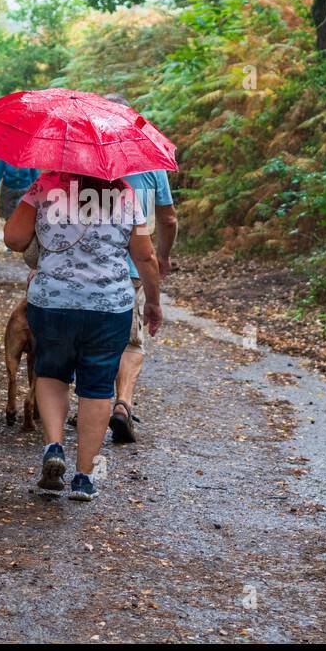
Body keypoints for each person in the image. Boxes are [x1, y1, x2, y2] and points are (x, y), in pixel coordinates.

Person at [3, 171, 163, 501]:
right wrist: (154, 303)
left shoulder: (46, 184)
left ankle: (54, 447)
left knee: (51, 372)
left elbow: (14, 238)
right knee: (98, 386)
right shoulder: (126, 193)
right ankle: (84, 479)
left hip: (53, 301)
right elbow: (145, 256)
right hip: (109, 306)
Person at [102, 93, 177, 444]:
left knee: (95, 337)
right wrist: (162, 255)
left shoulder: (85, 155)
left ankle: (92, 400)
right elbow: (169, 218)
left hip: (90, 266)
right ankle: (122, 404)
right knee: (131, 342)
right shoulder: (149, 159)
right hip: (132, 267)